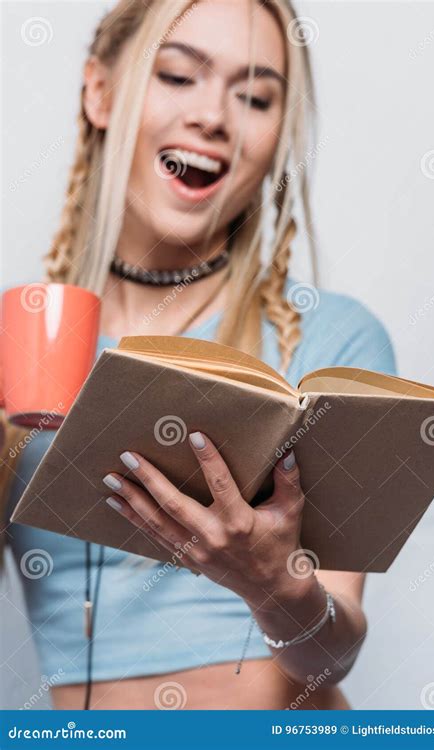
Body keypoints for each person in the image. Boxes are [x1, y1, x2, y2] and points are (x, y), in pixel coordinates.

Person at [1, 0, 396, 710]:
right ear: (100, 93)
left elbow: (333, 657)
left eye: (254, 96)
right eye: (178, 76)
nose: (213, 115)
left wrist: (273, 588)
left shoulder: (331, 342)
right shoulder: (16, 347)